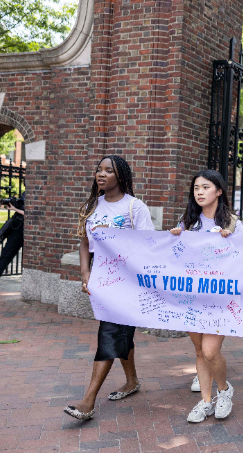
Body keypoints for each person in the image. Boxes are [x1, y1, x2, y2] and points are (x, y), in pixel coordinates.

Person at [64, 155, 154, 420]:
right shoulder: (92, 205)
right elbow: (84, 242)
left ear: (121, 176)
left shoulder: (134, 207)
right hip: (102, 282)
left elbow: (147, 245)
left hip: (128, 284)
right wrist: (85, 274)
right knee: (120, 335)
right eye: (99, 169)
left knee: (110, 335)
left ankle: (87, 402)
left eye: (109, 171)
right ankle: (132, 381)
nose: (101, 174)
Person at [169, 170, 242, 423]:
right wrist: (174, 238)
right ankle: (206, 401)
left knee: (211, 352)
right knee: (200, 351)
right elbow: (173, 256)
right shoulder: (187, 222)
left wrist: (235, 241)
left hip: (219, 300)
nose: (199, 192)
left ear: (219, 191)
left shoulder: (232, 223)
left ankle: (224, 390)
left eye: (206, 187)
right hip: (192, 298)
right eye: (196, 188)